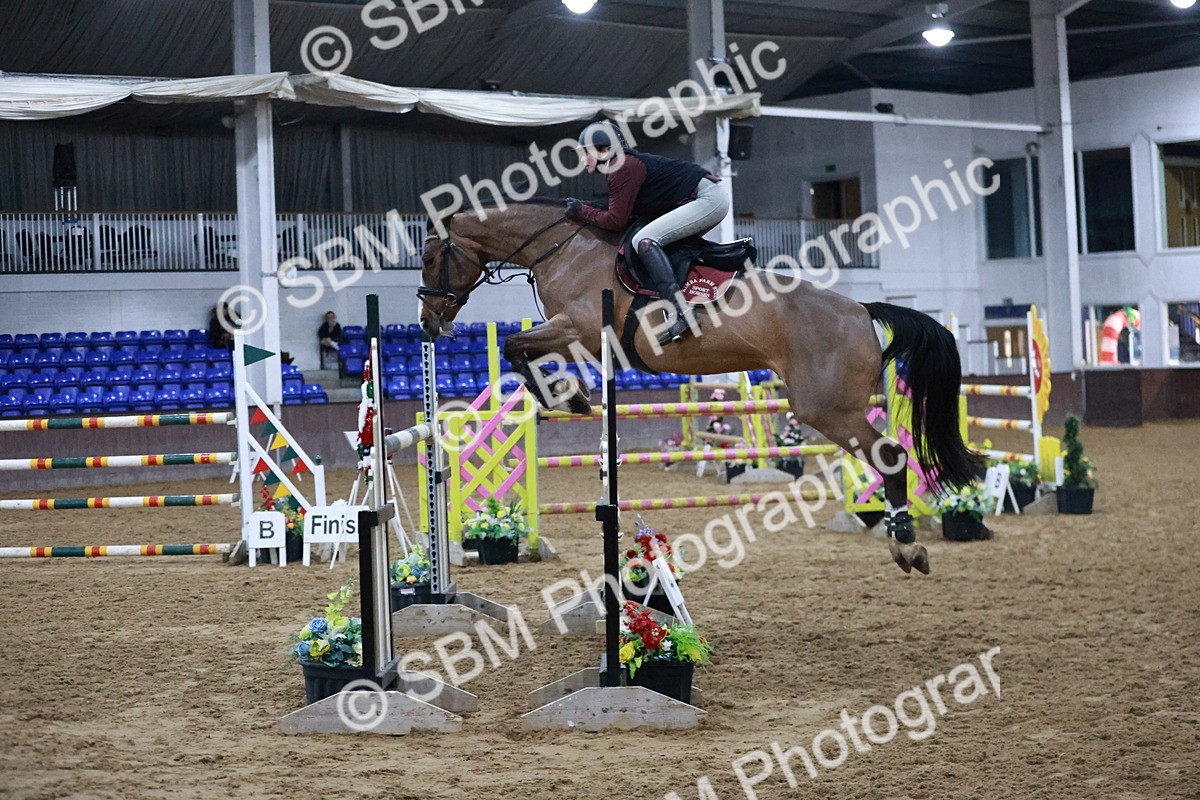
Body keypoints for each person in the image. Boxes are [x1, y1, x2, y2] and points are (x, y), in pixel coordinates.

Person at [564, 121, 730, 345]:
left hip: (708, 199)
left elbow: (615, 221)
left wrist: (581, 211)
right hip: (703, 197)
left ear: (604, 150)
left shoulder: (622, 167)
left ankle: (682, 312)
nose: (582, 160)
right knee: (656, 242)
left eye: (585, 153)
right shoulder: (620, 166)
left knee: (644, 240)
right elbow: (620, 212)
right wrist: (585, 208)